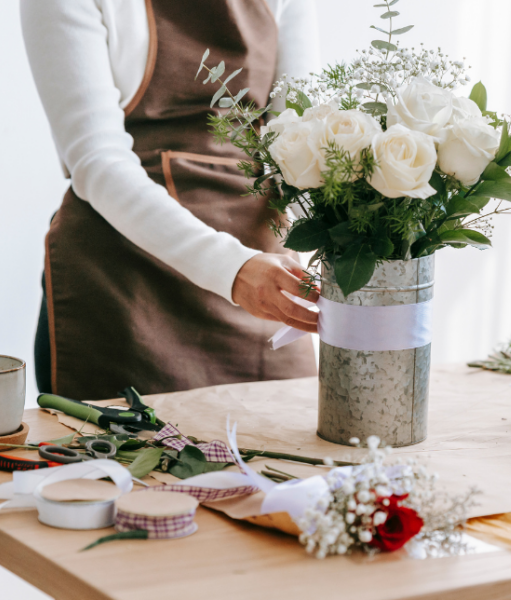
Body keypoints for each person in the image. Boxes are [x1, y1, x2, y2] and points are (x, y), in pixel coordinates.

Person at [20, 0, 321, 399]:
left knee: (290, 454)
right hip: (122, 291)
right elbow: (96, 161)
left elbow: (300, 145)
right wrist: (233, 269)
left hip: (264, 288)